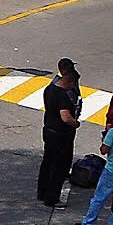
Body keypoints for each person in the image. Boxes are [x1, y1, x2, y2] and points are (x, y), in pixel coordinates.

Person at [38, 59, 82, 205]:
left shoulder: (49, 89)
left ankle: (42, 192)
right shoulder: (63, 96)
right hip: (61, 135)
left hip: (48, 130)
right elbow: (66, 118)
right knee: (59, 167)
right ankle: (52, 198)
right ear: (70, 82)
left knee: (47, 162)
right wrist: (76, 123)